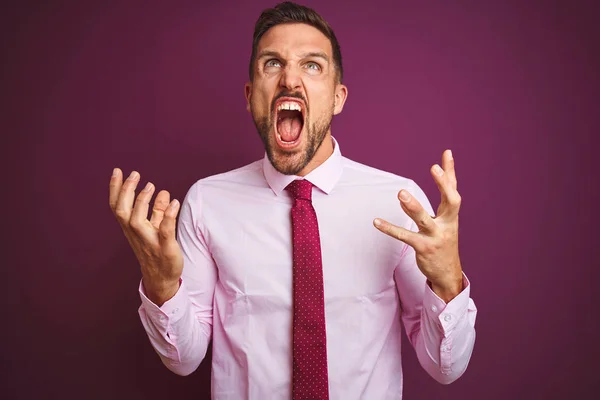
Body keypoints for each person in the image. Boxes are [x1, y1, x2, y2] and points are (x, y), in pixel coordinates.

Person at [109, 2, 477, 399]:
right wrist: (162, 284)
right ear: (251, 96)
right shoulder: (207, 202)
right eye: (272, 63)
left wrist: (448, 280)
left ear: (337, 98)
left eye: (312, 65)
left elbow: (445, 368)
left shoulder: (398, 203)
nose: (289, 79)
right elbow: (183, 358)